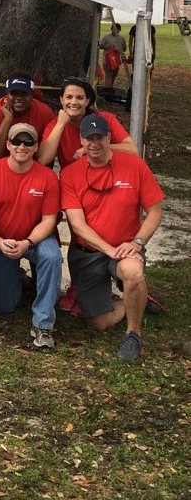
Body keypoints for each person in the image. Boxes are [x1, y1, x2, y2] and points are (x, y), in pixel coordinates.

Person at [60, 114, 165, 362]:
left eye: (100, 137)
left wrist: (137, 243)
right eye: (89, 138)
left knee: (133, 272)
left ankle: (133, 333)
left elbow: (155, 212)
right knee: (99, 322)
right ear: (81, 141)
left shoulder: (135, 166)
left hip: (126, 248)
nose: (94, 143)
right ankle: (134, 299)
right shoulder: (70, 174)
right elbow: (77, 225)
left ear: (109, 138)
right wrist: (108, 249)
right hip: (90, 253)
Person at [0, 123, 63, 348]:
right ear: (8, 145)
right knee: (3, 307)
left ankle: (43, 324)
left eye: (28, 142)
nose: (22, 146)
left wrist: (28, 242)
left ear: (36, 147)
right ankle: (19, 279)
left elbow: (50, 220)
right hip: (1, 241)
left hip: (35, 240)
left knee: (52, 257)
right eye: (17, 142)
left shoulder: (48, 177)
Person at [0, 74, 54, 302]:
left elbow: (48, 149)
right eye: (13, 93)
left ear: (32, 96)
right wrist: (7, 120)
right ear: (6, 95)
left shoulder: (44, 113)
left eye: (24, 94)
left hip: (28, 167)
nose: (18, 98)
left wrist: (41, 174)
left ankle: (38, 280)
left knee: (34, 215)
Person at [37, 77, 137, 169]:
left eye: (80, 98)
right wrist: (60, 125)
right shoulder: (55, 125)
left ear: (87, 101)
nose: (74, 102)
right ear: (62, 100)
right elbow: (43, 159)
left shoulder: (105, 119)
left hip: (105, 175)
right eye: (69, 97)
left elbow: (132, 150)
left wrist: (94, 148)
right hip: (72, 180)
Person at [98, 23, 127, 88]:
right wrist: (107, 46)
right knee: (108, 74)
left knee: (114, 74)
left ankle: (110, 87)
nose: (116, 31)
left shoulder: (121, 39)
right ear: (111, 29)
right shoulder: (107, 37)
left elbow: (124, 48)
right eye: (114, 29)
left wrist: (119, 49)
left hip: (116, 60)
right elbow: (100, 46)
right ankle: (107, 89)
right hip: (107, 60)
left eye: (118, 30)